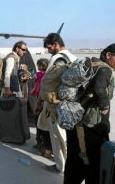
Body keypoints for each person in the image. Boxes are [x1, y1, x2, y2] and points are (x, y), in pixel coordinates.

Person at [64, 43, 115, 184]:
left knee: (74, 162)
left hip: (76, 121)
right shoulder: (105, 69)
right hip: (90, 127)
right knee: (93, 165)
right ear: (108, 55)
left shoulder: (92, 64)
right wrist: (104, 105)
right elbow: (99, 88)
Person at [42, 33, 77, 174]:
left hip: (56, 104)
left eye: (49, 47)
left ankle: (60, 166)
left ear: (56, 44)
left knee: (58, 137)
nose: (48, 51)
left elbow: (47, 82)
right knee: (67, 136)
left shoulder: (56, 58)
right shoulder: (73, 57)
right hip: (70, 104)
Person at [31, 58, 52, 159]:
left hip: (40, 100)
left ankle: (40, 143)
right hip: (47, 102)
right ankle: (45, 145)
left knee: (39, 124)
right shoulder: (49, 75)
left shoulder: (39, 74)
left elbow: (32, 78)